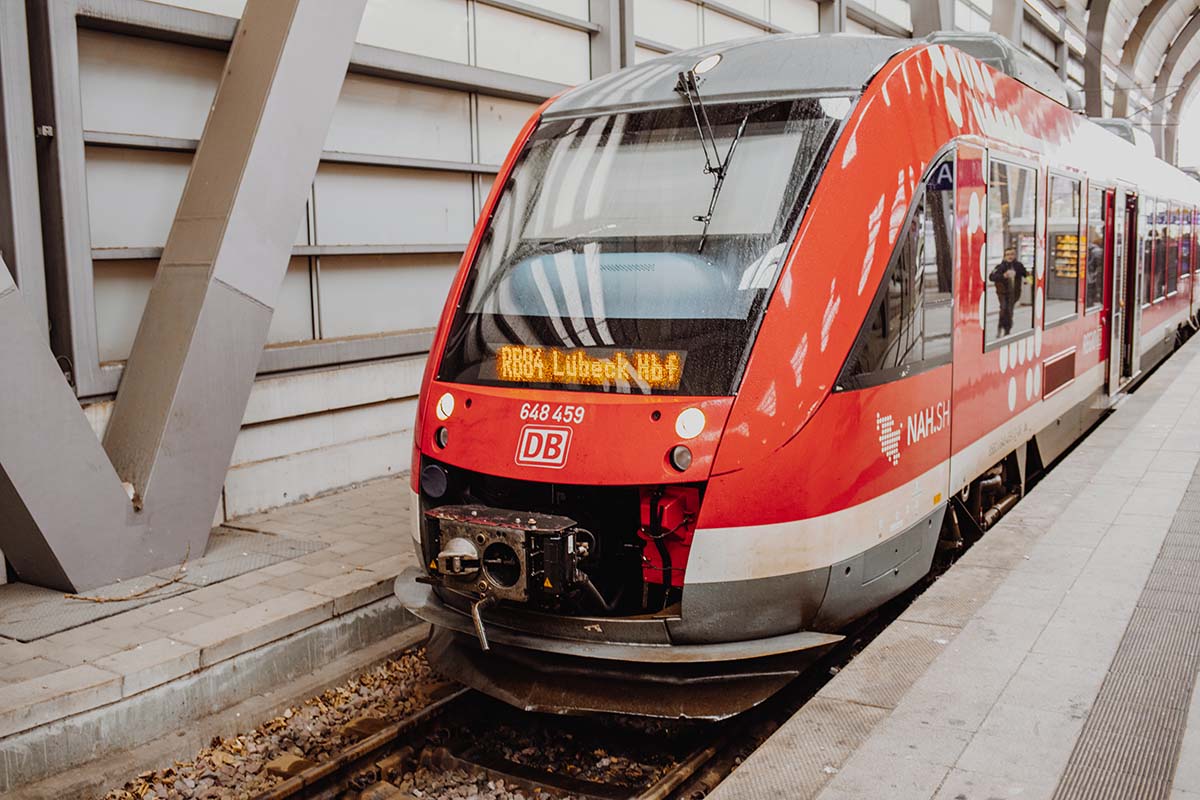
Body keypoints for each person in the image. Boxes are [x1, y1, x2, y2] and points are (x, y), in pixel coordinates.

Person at [990, 246, 1028, 338]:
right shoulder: (1000, 267)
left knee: (1009, 311)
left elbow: (1026, 274)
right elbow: (991, 277)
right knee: (1003, 309)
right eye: (1007, 255)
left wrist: (1029, 281)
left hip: (1014, 293)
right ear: (1004, 256)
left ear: (1014, 255)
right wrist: (1003, 276)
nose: (1010, 256)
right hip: (1002, 293)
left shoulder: (1019, 266)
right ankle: (1000, 327)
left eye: (1012, 254)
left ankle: (1007, 330)